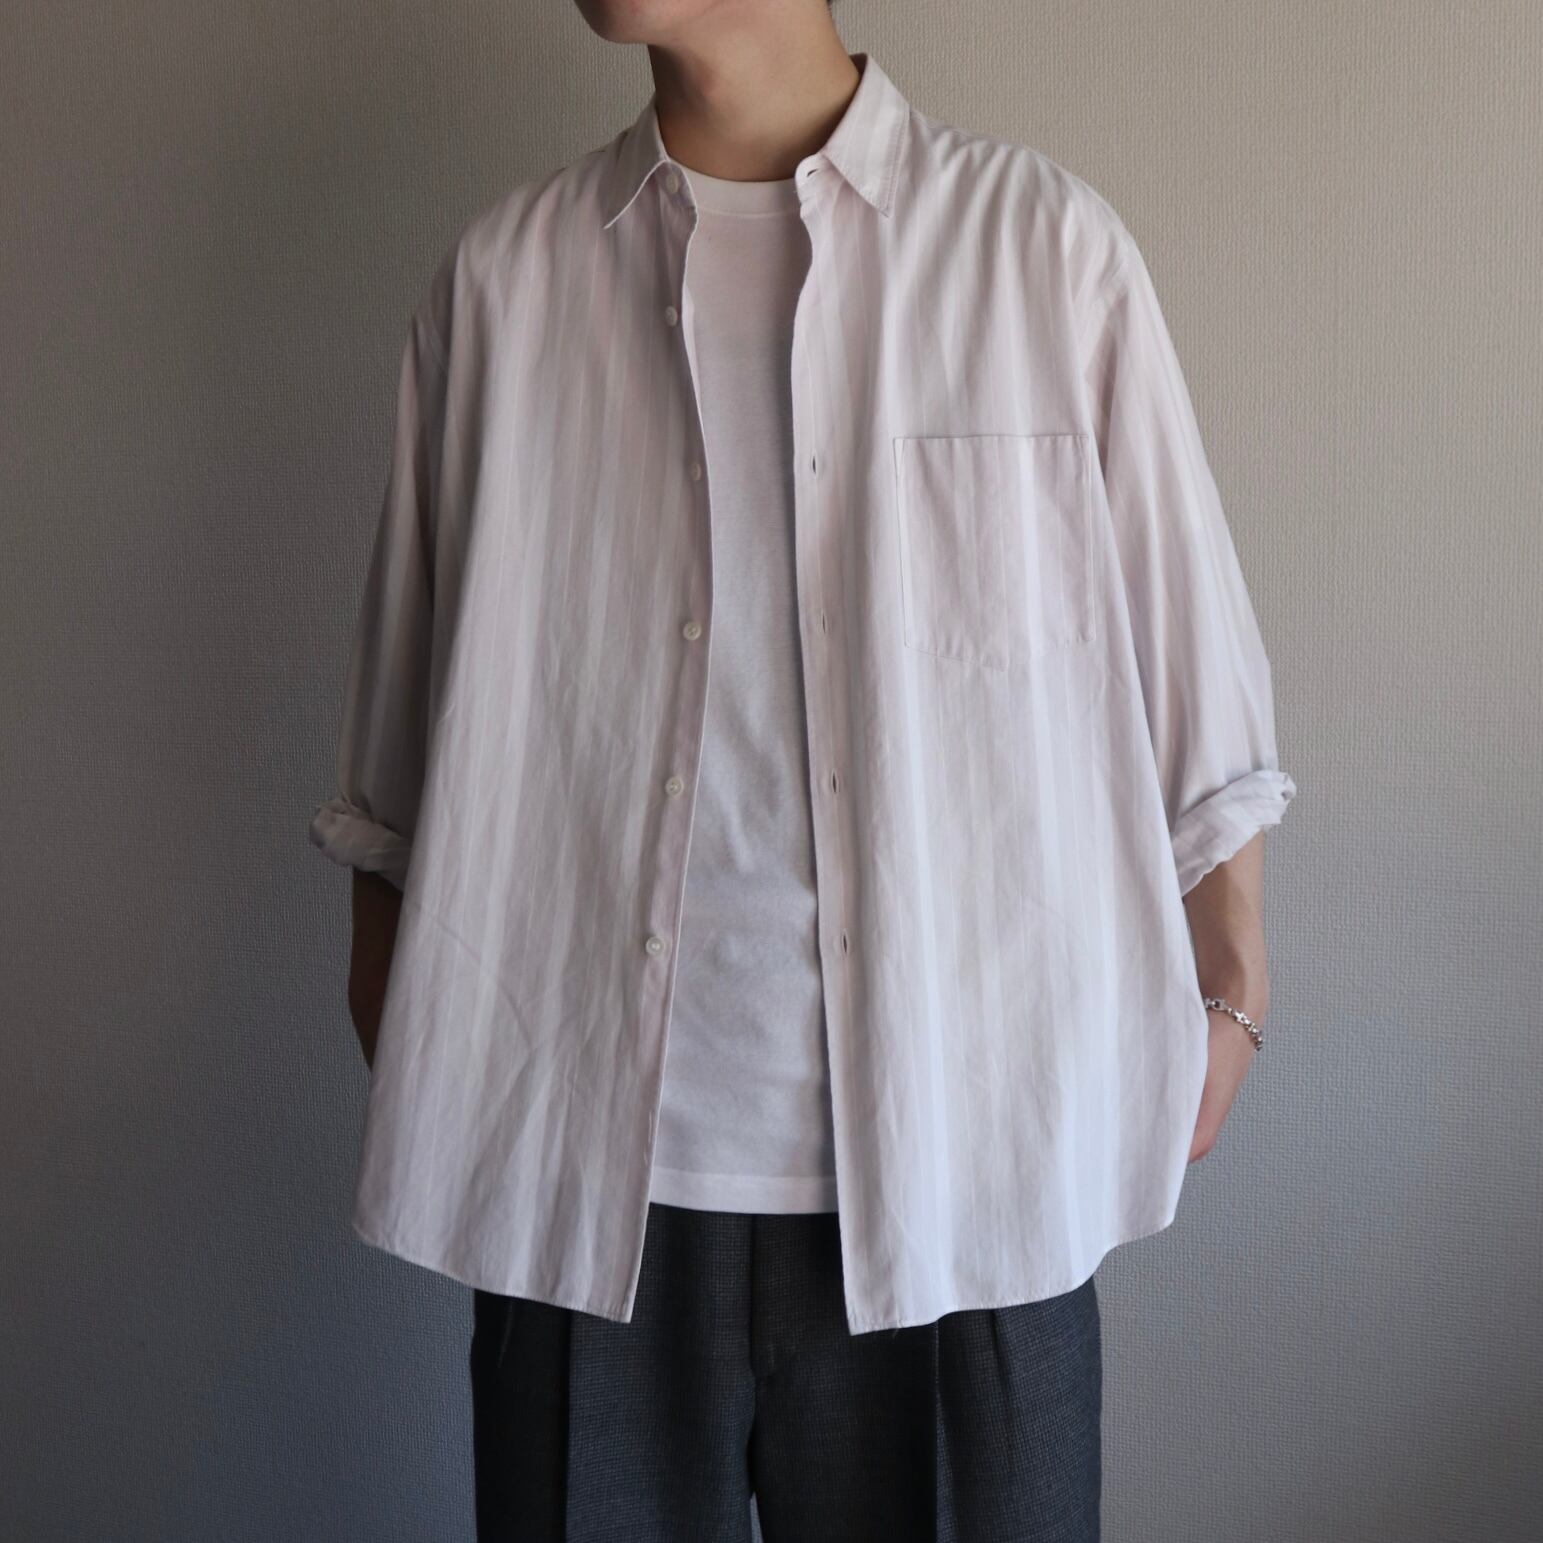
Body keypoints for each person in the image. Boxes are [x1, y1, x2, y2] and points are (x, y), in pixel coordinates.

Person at [308, 1, 1297, 1537]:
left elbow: (1195, 685)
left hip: (971, 1174)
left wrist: (1227, 992)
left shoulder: (1039, 252)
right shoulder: (506, 284)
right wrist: (416, 1010)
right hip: (586, 1203)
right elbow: (402, 753)